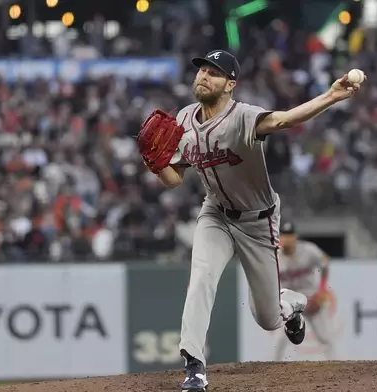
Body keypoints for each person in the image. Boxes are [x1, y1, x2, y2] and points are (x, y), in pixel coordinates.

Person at [151, 49, 361, 392]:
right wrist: (157, 166)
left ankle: (292, 304)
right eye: (201, 70)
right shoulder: (186, 120)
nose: (203, 76)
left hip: (257, 221)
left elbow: (285, 120)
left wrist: (332, 95)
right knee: (201, 277)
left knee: (267, 318)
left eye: (213, 73)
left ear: (230, 85)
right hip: (215, 213)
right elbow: (174, 178)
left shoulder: (243, 117)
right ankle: (194, 366)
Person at [275, 221, 336, 361]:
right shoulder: (274, 254)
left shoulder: (308, 250)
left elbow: (325, 263)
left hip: (310, 297)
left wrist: (322, 290)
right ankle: (271, 372)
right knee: (279, 340)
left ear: (295, 237)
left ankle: (338, 367)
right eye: (284, 235)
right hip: (289, 301)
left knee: (325, 337)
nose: (287, 239)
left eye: (290, 235)